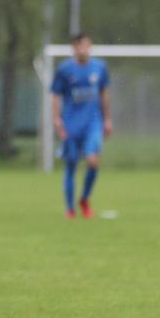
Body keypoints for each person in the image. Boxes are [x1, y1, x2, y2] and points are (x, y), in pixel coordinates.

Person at [50, 33, 112, 219]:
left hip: (93, 122)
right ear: (74, 48)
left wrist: (107, 119)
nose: (84, 49)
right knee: (71, 165)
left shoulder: (100, 68)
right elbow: (55, 95)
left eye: (87, 45)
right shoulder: (64, 70)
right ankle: (70, 209)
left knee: (93, 161)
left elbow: (104, 94)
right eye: (80, 46)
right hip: (71, 124)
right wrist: (56, 119)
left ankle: (84, 198)